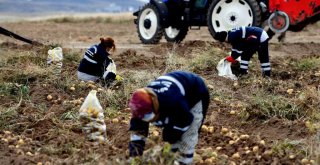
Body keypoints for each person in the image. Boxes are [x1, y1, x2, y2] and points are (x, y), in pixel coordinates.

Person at [128, 71, 210, 165]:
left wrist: (172, 135)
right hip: (174, 99)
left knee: (188, 136)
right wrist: (135, 158)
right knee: (171, 136)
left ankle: (184, 162)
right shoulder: (139, 109)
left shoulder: (172, 101)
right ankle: (172, 157)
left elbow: (185, 119)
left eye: (148, 116)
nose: (148, 120)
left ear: (155, 104)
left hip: (195, 92)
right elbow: (137, 135)